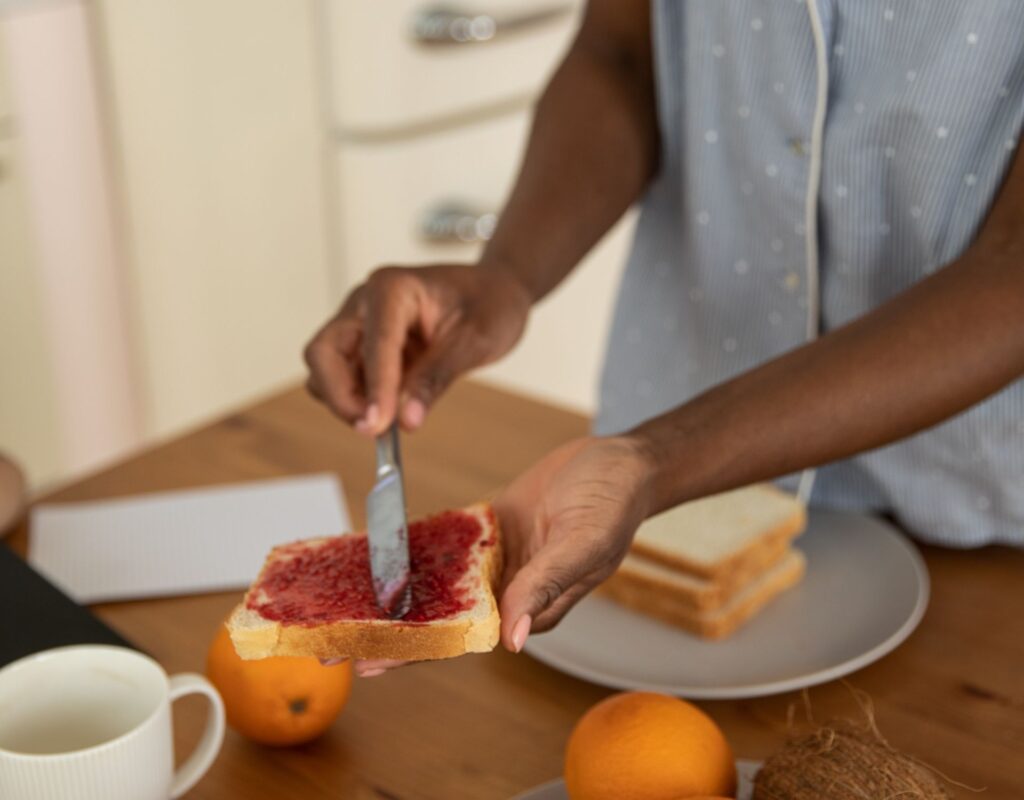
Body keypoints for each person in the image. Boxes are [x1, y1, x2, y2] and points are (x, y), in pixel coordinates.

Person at [305, 1, 1024, 675]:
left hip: (979, 513)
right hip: (671, 481)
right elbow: (621, 51)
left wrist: (657, 458)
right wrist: (506, 275)